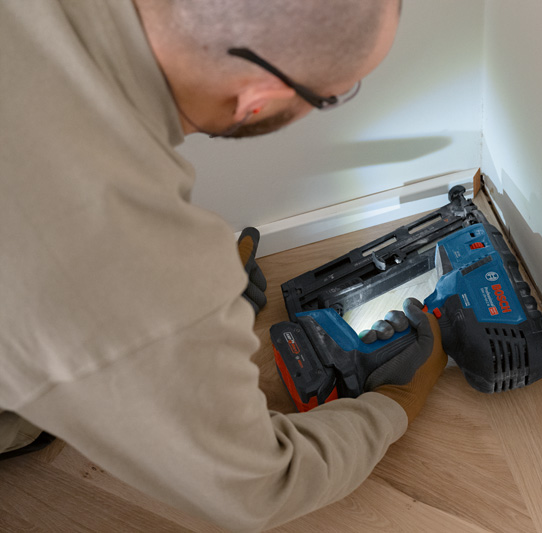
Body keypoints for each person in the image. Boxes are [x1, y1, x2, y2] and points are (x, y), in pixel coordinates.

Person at [0, 1, 448, 531]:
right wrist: (394, 401)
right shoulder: (119, 241)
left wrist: (175, 316)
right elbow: (260, 487)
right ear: (258, 98)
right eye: (332, 95)